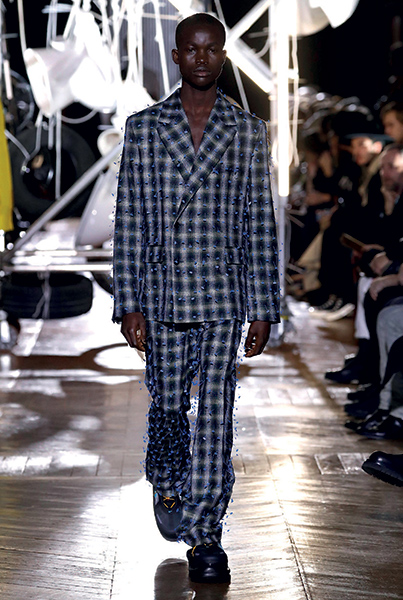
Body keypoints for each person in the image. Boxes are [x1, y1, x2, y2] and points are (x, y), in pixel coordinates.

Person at [112, 13, 280, 585]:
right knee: (167, 403)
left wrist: (263, 307)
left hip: (222, 295)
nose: (202, 58)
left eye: (212, 49)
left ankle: (206, 532)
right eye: (193, 49)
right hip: (162, 293)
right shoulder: (144, 128)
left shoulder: (247, 131)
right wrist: (128, 301)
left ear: (223, 55)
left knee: (215, 414)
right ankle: (167, 478)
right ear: (178, 56)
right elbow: (130, 220)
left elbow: (259, 223)